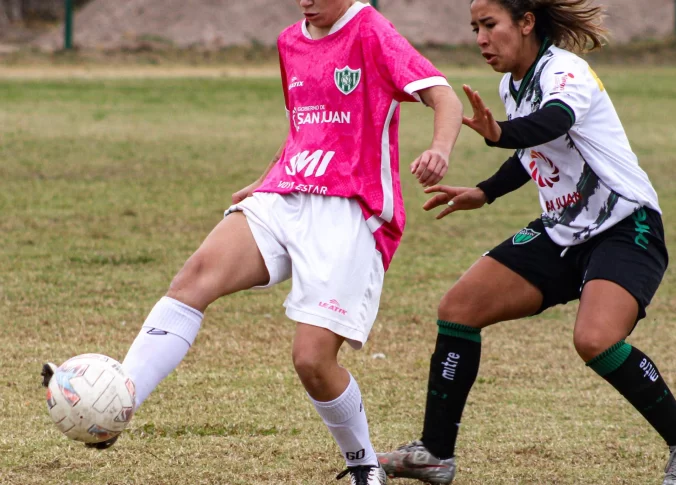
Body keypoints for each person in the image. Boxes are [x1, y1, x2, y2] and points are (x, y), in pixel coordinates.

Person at [40, 1, 463, 484]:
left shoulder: (370, 30)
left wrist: (440, 149)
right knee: (193, 280)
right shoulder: (290, 41)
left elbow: (442, 94)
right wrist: (267, 179)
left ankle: (365, 466)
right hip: (286, 195)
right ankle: (118, 400)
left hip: (349, 211)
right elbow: (303, 130)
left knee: (312, 360)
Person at [376, 1, 676, 484]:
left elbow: (552, 122)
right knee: (458, 309)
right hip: (562, 229)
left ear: (526, 22)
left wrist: (499, 133)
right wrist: (485, 191)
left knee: (595, 340)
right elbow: (532, 151)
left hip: (625, 225)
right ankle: (435, 454)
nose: (481, 40)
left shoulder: (565, 72)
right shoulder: (512, 84)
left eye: (490, 25)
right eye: (475, 29)